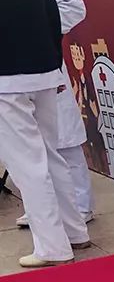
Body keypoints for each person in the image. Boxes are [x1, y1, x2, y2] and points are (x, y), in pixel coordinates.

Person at [0, 0, 90, 268]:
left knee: (27, 163)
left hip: (6, 78)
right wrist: (48, 49)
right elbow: (61, 10)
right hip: (45, 69)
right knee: (50, 154)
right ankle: (74, 230)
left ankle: (52, 246)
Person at [16, 67, 96, 228]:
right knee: (31, 150)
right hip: (19, 81)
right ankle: (41, 207)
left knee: (67, 146)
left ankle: (81, 206)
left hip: (49, 73)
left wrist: (56, 75)